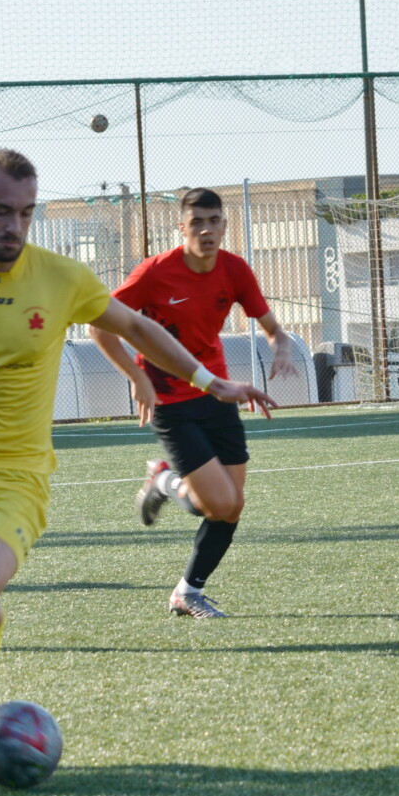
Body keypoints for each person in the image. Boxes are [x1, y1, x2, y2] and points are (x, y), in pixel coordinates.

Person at [0, 150, 276, 780]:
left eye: (26, 213)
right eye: (1, 212)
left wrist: (211, 380)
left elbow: (138, 330)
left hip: (13, 477)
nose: (14, 226)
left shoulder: (60, 277)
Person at [92, 188, 298, 619]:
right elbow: (100, 324)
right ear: (181, 227)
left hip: (218, 391)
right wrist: (135, 376)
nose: (207, 230)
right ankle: (165, 481)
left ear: (225, 225)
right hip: (170, 400)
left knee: (232, 506)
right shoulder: (155, 272)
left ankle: (187, 591)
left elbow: (272, 328)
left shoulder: (234, 269)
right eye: (197, 222)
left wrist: (281, 347)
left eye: (214, 221)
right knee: (217, 505)